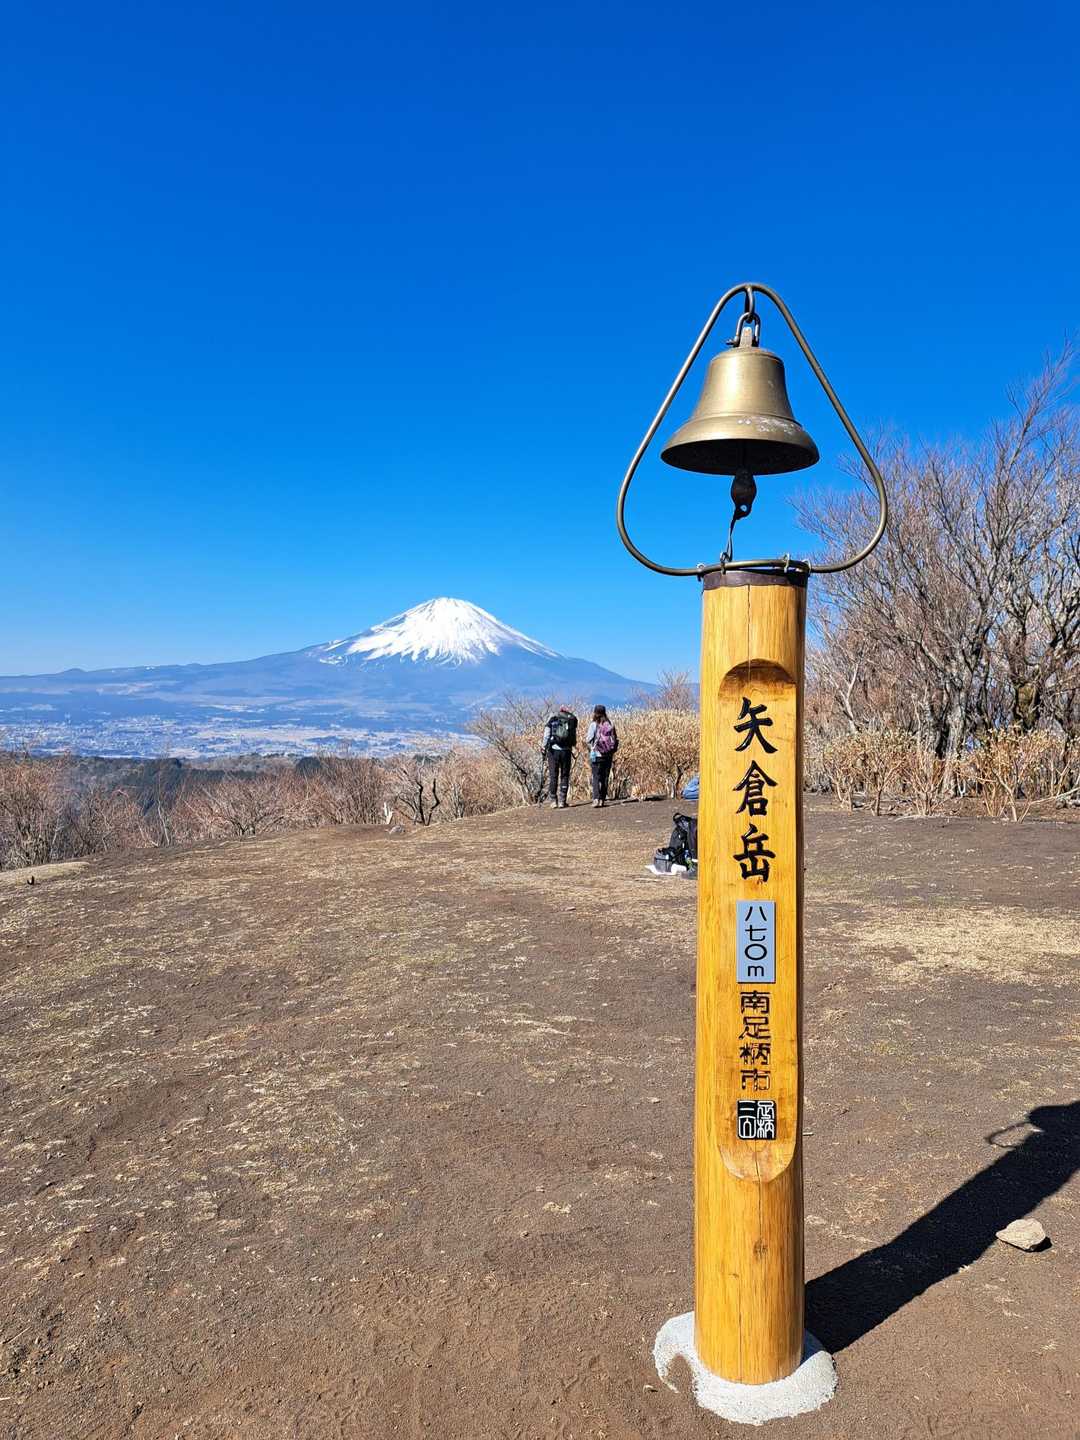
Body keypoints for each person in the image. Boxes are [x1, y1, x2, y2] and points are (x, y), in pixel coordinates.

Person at [541, 705, 577, 808]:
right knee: (565, 775)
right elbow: (573, 736)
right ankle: (562, 801)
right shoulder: (571, 720)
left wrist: (543, 747)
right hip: (567, 751)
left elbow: (546, 735)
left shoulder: (553, 718)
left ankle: (553, 801)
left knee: (553, 775)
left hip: (553, 751)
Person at [586, 704, 618, 808]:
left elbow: (588, 739)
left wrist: (591, 748)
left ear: (595, 713)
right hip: (608, 754)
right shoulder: (610, 724)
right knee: (605, 777)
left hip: (597, 754)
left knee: (596, 776)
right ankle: (602, 800)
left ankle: (596, 799)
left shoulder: (593, 725)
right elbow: (615, 739)